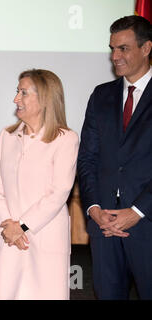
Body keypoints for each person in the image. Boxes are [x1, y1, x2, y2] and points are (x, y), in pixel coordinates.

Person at [0, 69, 79, 299]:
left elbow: (59, 192)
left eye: (23, 93)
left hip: (44, 239)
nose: (16, 99)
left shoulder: (66, 139)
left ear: (44, 98)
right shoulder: (7, 136)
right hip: (8, 237)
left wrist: (22, 226)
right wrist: (9, 226)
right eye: (17, 91)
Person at [77, 15, 152, 300]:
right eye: (112, 48)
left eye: (123, 48)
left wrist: (137, 211)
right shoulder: (101, 95)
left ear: (146, 49)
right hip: (103, 226)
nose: (115, 56)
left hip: (147, 224)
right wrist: (94, 208)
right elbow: (87, 159)